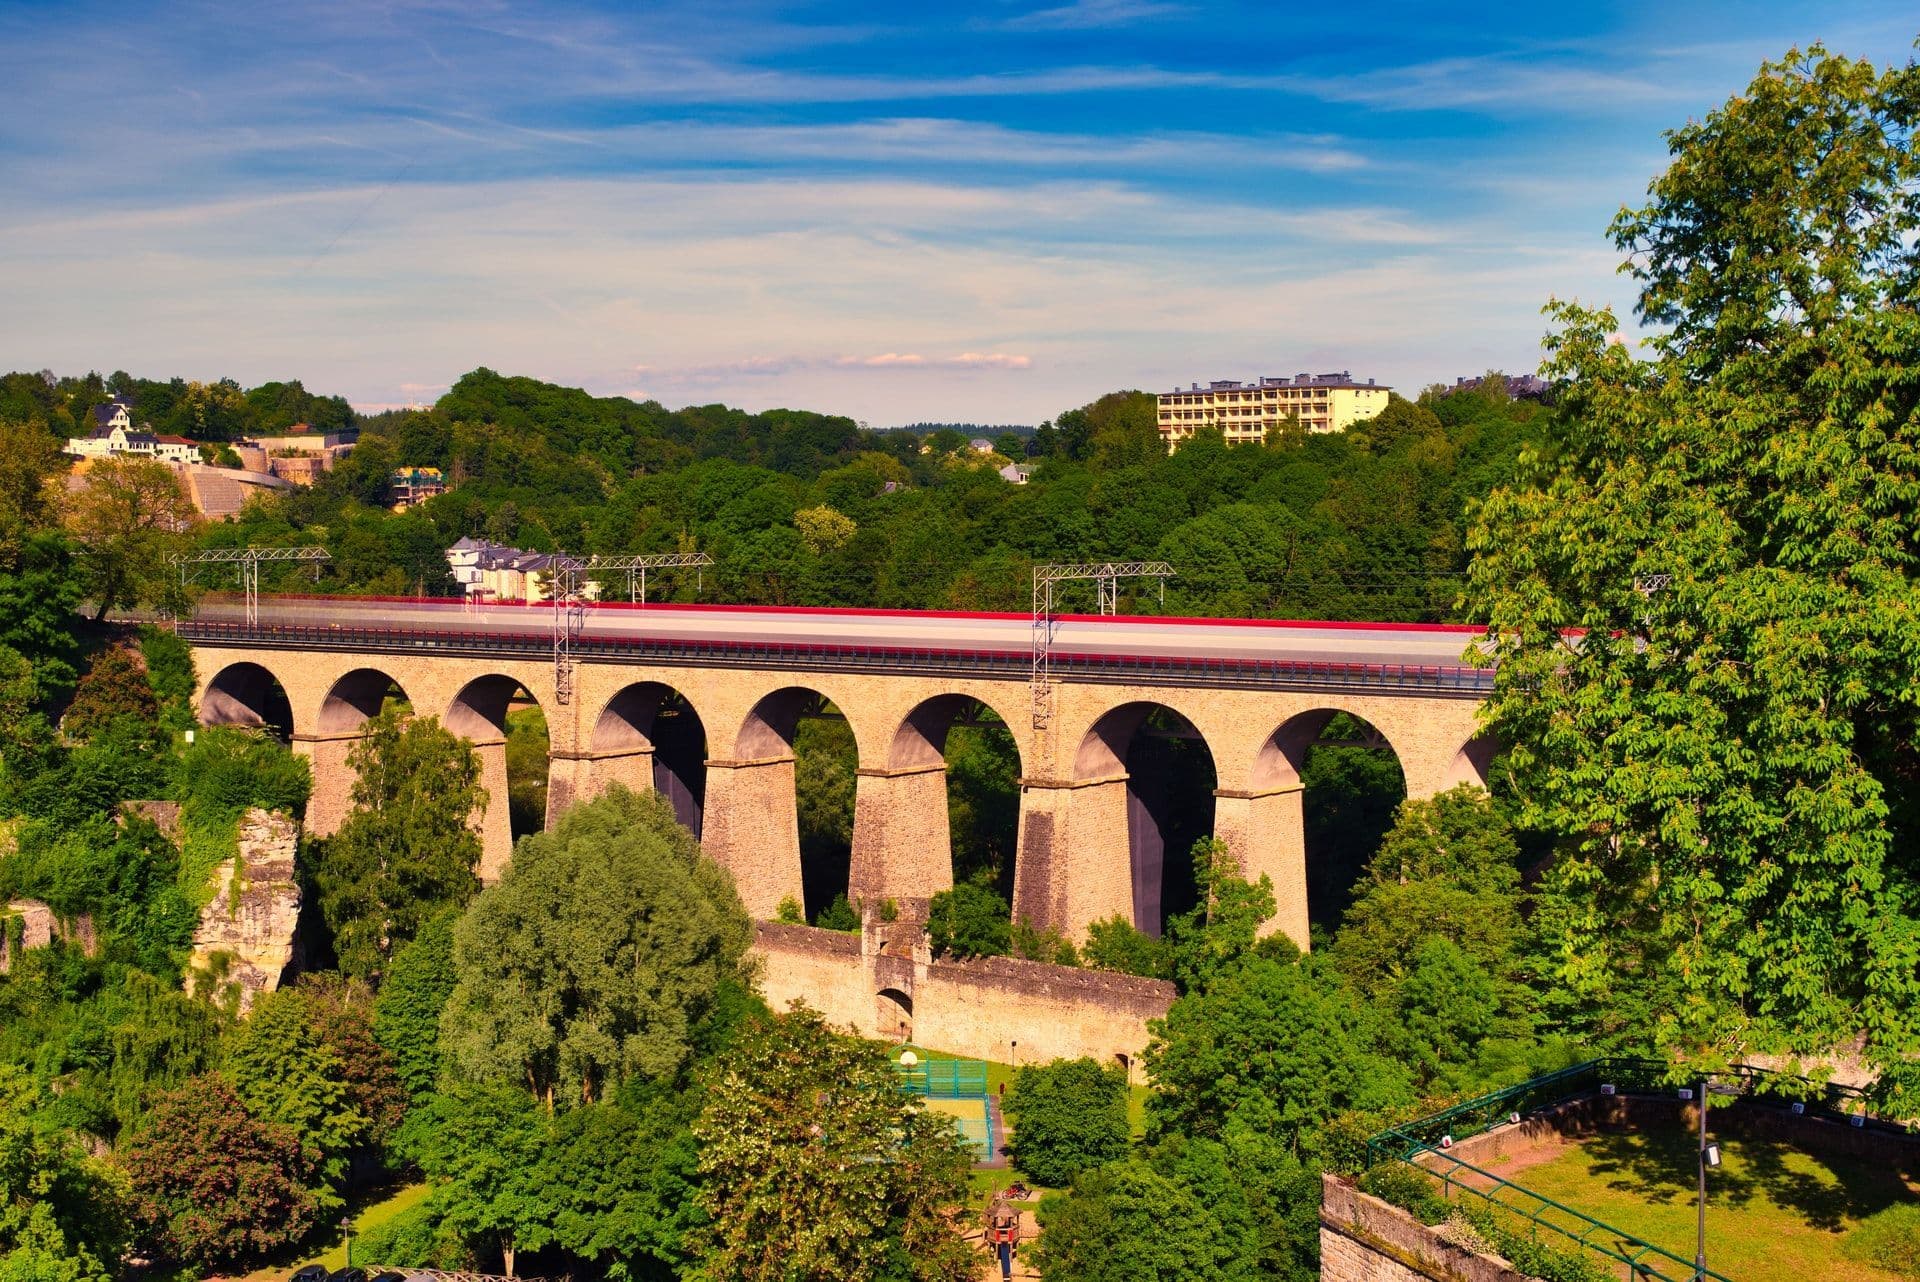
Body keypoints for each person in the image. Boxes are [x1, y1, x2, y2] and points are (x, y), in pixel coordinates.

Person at [986, 1196, 1021, 1281]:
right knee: (1005, 1252)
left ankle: (1006, 1274)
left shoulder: (1001, 1230)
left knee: (1002, 1248)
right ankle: (1006, 1273)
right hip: (1003, 1236)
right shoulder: (1009, 1230)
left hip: (1000, 1237)